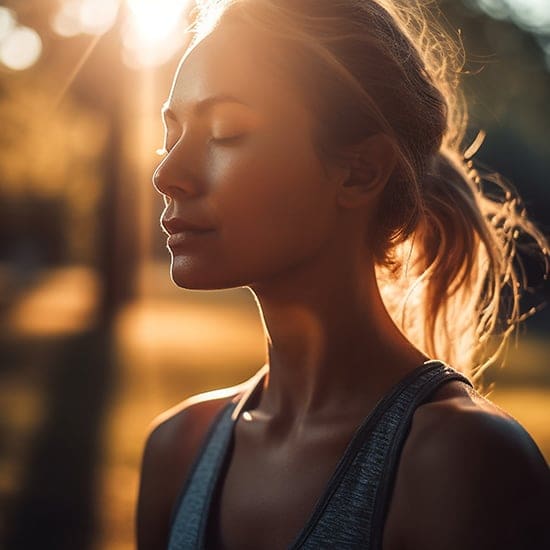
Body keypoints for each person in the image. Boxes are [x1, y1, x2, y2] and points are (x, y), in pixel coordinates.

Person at [136, 0, 550, 548]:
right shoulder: (176, 448)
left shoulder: (463, 462)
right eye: (172, 134)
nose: (167, 174)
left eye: (225, 131)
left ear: (360, 171)